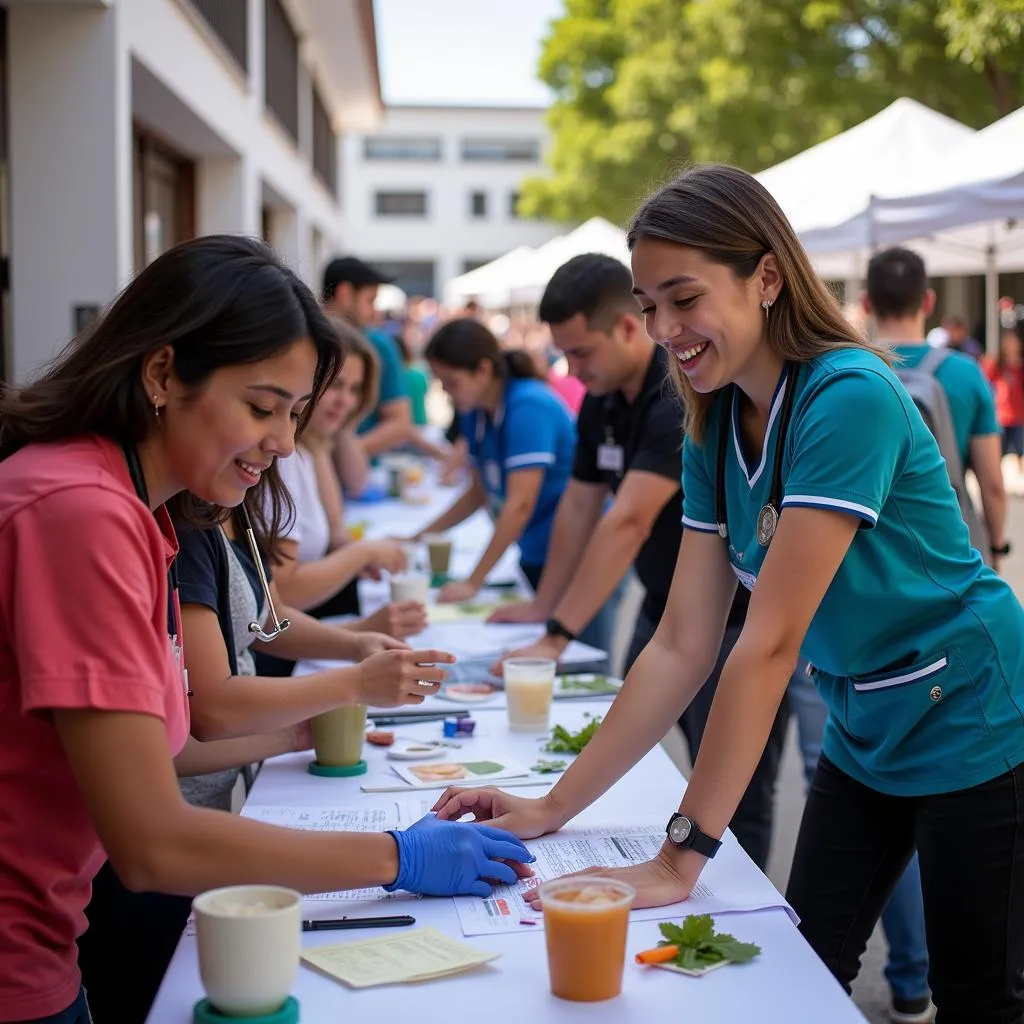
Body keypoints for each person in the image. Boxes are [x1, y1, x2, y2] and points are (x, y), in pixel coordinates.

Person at [432, 165, 1024, 1024]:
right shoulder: (709, 418)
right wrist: (553, 807)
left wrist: (680, 857)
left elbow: (768, 645)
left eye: (684, 298)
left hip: (972, 710)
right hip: (865, 720)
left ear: (768, 278)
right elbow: (680, 643)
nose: (664, 329)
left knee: (975, 995)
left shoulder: (847, 396)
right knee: (803, 961)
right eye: (648, 306)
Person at [0, 235, 533, 1024]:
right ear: (162, 375)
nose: (283, 442)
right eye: (261, 407)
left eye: (294, 414)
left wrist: (306, 730)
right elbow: (154, 844)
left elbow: (161, 747)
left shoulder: (140, 512)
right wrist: (398, 856)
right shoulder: (83, 511)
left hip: (47, 938)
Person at [486, 252, 791, 870]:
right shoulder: (645, 402)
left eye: (581, 354)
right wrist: (549, 611)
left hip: (748, 624)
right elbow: (581, 509)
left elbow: (626, 522)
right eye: (653, 306)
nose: (572, 369)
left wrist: (558, 633)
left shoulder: (688, 394)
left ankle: (740, 892)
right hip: (671, 609)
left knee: (738, 792)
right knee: (642, 758)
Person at [415, 319, 576, 606]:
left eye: (451, 382)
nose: (445, 391)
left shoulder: (529, 406)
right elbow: (479, 491)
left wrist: (474, 581)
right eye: (440, 382)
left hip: (577, 555)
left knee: (577, 644)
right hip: (536, 548)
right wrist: (419, 536)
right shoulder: (474, 410)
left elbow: (520, 504)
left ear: (483, 370)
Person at [864, 248, 1006, 574]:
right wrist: (995, 547)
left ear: (866, 302)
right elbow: (993, 484)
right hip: (951, 550)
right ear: (928, 301)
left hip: (874, 557)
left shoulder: (844, 371)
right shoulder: (966, 373)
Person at [321, 256, 414, 457]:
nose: (374, 313)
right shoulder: (304, 340)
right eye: (370, 301)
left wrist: (345, 456)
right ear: (345, 293)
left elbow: (400, 423)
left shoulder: (378, 344)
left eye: (356, 389)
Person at [984, 327, 1024, 476]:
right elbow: (985, 382)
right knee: (999, 450)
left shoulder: (1020, 366)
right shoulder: (996, 364)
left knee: (1020, 449)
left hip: (1019, 414)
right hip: (1001, 414)